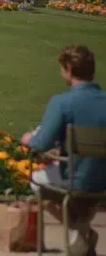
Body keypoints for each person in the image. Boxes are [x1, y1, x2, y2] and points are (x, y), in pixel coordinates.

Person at [22, 45, 106, 256]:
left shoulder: (62, 102)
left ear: (68, 68)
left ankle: (77, 229)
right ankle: (81, 228)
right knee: (88, 187)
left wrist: (28, 139)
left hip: (74, 178)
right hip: (103, 179)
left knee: (36, 180)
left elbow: (41, 145)